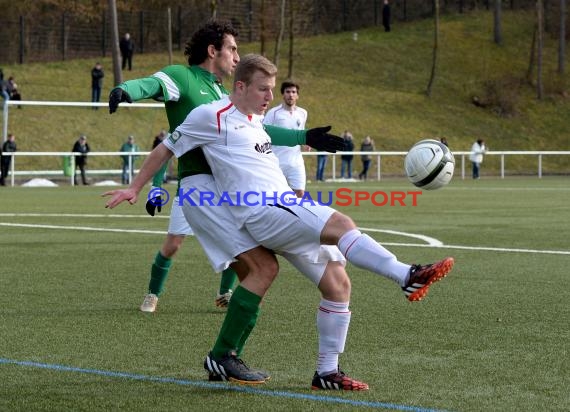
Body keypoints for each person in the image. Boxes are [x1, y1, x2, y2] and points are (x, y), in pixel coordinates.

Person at [105, 54, 455, 389]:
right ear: (239, 87)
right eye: (263, 89)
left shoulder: (256, 121)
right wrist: (136, 187)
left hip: (283, 206)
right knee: (342, 223)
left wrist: (307, 137)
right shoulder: (209, 115)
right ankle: (405, 275)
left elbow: (276, 134)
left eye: (273, 89)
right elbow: (166, 148)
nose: (270, 96)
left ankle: (326, 372)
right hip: (264, 211)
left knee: (337, 283)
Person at [107, 21, 340, 318]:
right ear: (212, 50)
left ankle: (227, 302)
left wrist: (303, 137)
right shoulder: (183, 76)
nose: (237, 57)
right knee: (175, 245)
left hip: (227, 184)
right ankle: (154, 295)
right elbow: (151, 84)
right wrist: (125, 90)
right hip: (196, 186)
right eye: (232, 49)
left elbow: (260, 129)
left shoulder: (223, 93)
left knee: (252, 255)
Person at [262, 80, 308, 197]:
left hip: (296, 162)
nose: (291, 95)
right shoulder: (273, 113)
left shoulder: (303, 113)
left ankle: (295, 215)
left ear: (297, 95)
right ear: (283, 94)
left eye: (293, 92)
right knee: (275, 195)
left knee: (299, 193)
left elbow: (301, 132)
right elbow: (263, 133)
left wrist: (305, 142)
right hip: (278, 162)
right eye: (288, 92)